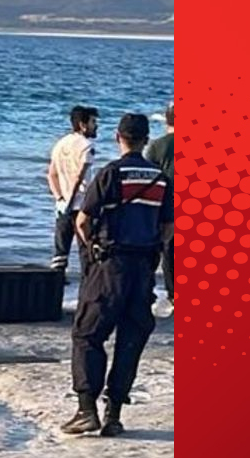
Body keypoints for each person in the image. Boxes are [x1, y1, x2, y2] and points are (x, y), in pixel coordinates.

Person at [62, 113, 173, 437]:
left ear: (118, 137)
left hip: (110, 266)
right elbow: (169, 227)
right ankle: (113, 414)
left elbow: (82, 221)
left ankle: (86, 409)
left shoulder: (111, 173)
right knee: (131, 339)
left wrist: (94, 249)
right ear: (146, 139)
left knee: (87, 334)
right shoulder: (162, 179)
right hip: (143, 269)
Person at [47, 106, 99, 272]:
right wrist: (71, 200)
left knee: (60, 254)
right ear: (83, 125)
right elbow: (80, 176)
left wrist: (59, 198)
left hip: (62, 206)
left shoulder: (60, 143)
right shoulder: (86, 146)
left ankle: (55, 291)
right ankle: (87, 289)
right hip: (81, 205)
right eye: (93, 122)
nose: (95, 126)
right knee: (86, 251)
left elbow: (51, 175)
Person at [145, 101, 175, 306]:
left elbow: (149, 178)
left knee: (167, 250)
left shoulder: (157, 146)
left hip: (165, 205)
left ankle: (173, 294)